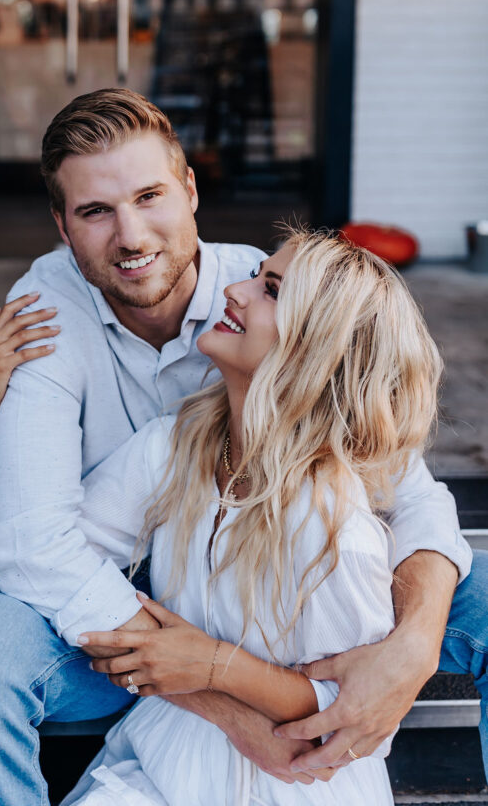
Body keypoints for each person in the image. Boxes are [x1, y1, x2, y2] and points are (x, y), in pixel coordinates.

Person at [0, 89, 480, 806]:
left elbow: (407, 487)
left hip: (280, 585)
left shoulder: (258, 291)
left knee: (485, 601)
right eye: (96, 211)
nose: (130, 236)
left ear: (190, 190)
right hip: (110, 593)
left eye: (150, 195)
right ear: (62, 226)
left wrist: (414, 645)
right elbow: (37, 544)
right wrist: (215, 694)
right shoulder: (46, 311)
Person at [52, 228, 440, 804]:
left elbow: (348, 714)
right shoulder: (173, 446)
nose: (234, 290)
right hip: (171, 754)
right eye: (256, 277)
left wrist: (212, 664)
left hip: (299, 782)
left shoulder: (335, 533)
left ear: (317, 349)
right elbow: (64, 552)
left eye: (271, 290)